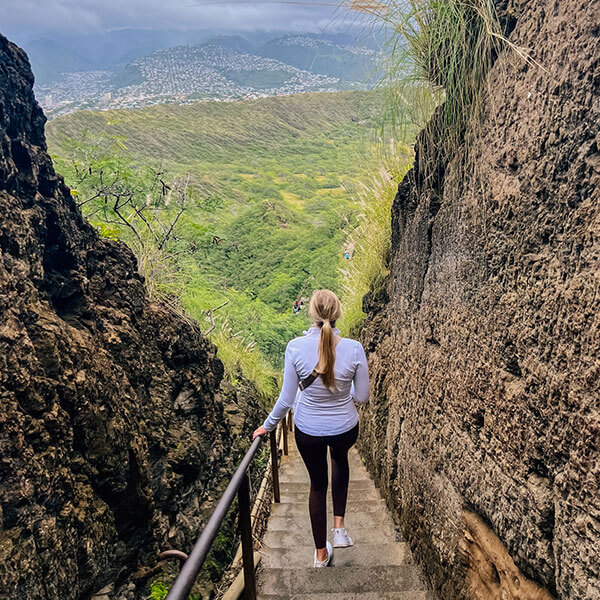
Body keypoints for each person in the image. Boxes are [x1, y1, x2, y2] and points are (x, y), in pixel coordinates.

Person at [253, 289, 370, 567]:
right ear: (338, 313)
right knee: (340, 459)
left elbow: (286, 400)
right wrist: (344, 389)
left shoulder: (295, 347)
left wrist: (267, 426)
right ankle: (339, 531)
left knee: (318, 485)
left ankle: (320, 554)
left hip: (309, 431)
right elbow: (362, 397)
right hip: (345, 427)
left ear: (312, 315)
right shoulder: (354, 348)